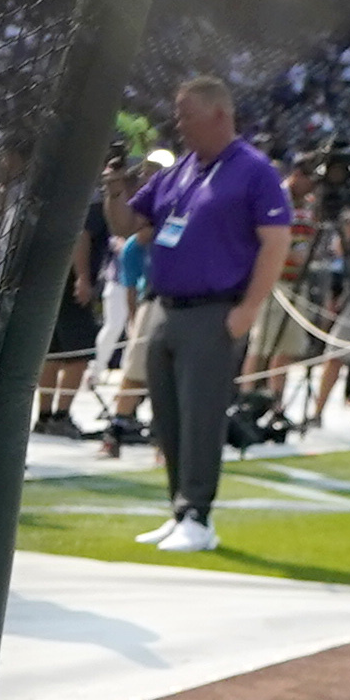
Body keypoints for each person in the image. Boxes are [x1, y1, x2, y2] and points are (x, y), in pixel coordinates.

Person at [115, 74, 291, 550]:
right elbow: (133, 224)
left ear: (219, 114)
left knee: (202, 413)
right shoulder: (180, 170)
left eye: (187, 113)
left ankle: (199, 512)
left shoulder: (254, 170)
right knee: (168, 414)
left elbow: (276, 242)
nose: (179, 124)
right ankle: (179, 507)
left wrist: (249, 309)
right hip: (166, 306)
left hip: (215, 308)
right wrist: (115, 188)